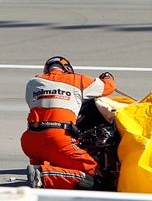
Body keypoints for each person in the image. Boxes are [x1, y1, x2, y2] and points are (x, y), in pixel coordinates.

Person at [21, 56, 116, 189]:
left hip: (30, 142)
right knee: (97, 177)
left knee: (55, 157)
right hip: (58, 139)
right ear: (68, 70)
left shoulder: (33, 82)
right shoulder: (78, 80)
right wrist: (107, 76)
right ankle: (43, 175)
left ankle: (41, 168)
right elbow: (108, 87)